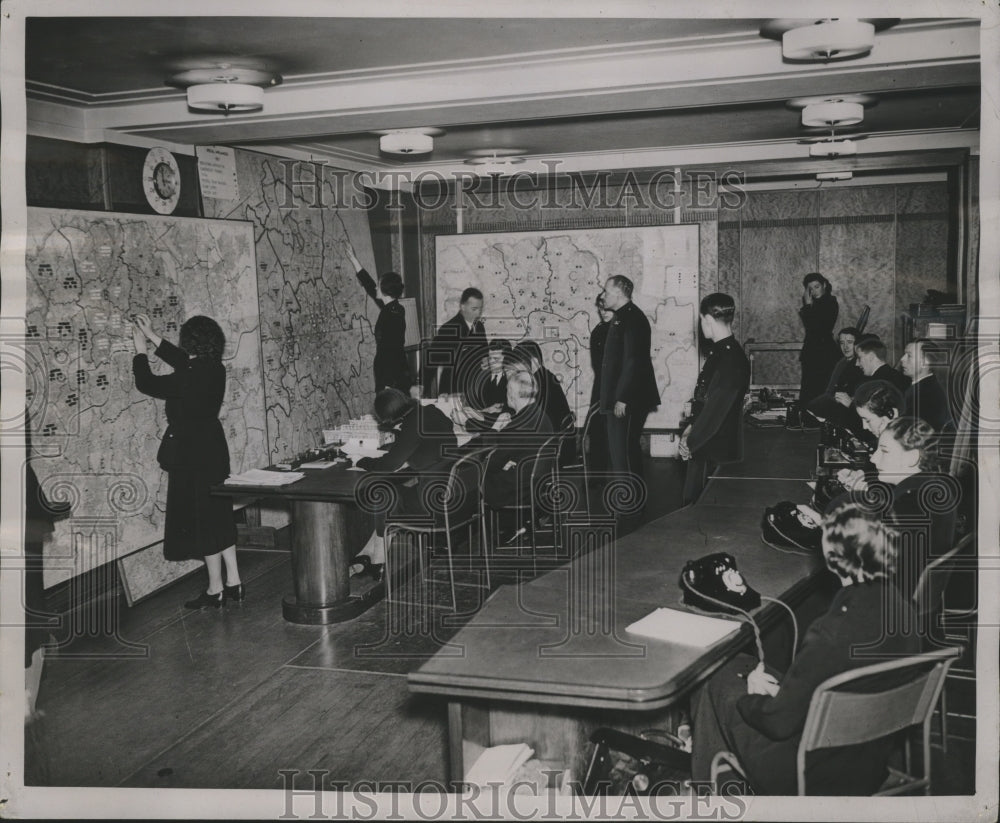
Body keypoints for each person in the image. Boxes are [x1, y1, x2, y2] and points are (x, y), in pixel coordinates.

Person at [689, 502, 920, 795]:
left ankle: (715, 794)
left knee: (719, 679)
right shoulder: (904, 610)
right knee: (746, 672)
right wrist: (787, 697)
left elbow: (777, 724)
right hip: (868, 761)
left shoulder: (832, 631)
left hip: (806, 772)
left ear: (834, 559)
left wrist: (751, 699)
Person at [131, 314, 241, 609]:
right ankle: (234, 582)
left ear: (189, 341)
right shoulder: (214, 368)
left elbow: (147, 383)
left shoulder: (189, 375)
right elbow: (184, 361)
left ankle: (215, 589)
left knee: (203, 521)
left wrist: (140, 350)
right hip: (214, 449)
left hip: (191, 454)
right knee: (219, 514)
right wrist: (153, 335)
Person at [834, 417, 957, 600]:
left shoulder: (910, 503)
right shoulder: (933, 487)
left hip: (892, 599)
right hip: (913, 592)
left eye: (884, 451)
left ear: (912, 457)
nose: (874, 458)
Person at [350, 388, 458, 577]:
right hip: (453, 497)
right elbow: (437, 443)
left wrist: (359, 460)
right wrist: (412, 455)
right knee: (393, 496)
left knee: (384, 492)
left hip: (431, 506)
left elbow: (386, 466)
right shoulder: (431, 412)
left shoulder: (412, 425)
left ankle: (379, 561)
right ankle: (369, 554)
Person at [679, 293, 750, 506]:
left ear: (707, 320)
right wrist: (691, 427)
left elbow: (715, 412)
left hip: (713, 451)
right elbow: (706, 401)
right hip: (708, 444)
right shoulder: (725, 353)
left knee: (699, 512)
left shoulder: (729, 359)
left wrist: (690, 442)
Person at [598, 275, 660, 484]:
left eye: (606, 291)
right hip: (621, 397)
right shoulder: (622, 317)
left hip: (627, 400)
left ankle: (631, 501)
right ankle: (628, 499)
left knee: (625, 452)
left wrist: (623, 398)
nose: (603, 295)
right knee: (620, 453)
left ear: (618, 293)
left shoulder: (633, 319)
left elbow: (634, 361)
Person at [343, 239, 412, 394]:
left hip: (391, 377)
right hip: (391, 373)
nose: (376, 287)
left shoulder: (392, 315)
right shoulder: (393, 308)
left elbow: (391, 350)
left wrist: (388, 383)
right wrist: (353, 259)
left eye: (379, 285)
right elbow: (369, 284)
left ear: (385, 290)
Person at [422, 287, 487, 398]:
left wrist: (486, 360)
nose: (478, 313)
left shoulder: (479, 326)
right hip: (452, 390)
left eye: (480, 309)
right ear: (462, 307)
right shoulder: (448, 329)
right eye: (474, 309)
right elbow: (431, 361)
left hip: (475, 389)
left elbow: (484, 352)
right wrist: (421, 385)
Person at [797, 273, 841, 414]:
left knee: (818, 389)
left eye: (817, 287)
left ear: (824, 285)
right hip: (813, 352)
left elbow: (817, 329)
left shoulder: (830, 302)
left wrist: (808, 306)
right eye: (810, 289)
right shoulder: (816, 304)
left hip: (824, 354)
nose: (814, 291)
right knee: (810, 388)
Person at [804, 326, 864, 428]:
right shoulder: (841, 362)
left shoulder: (861, 364)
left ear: (857, 344)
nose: (845, 347)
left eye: (849, 342)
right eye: (842, 343)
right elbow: (829, 390)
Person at [899, 339, 953, 431]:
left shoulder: (927, 395)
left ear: (925, 362)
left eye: (909, 356)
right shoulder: (924, 387)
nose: (902, 359)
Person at [588, 296, 615, 473]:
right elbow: (598, 365)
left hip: (620, 389)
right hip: (601, 388)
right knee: (596, 431)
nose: (602, 312)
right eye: (600, 309)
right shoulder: (598, 331)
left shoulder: (625, 330)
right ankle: (597, 476)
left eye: (606, 308)